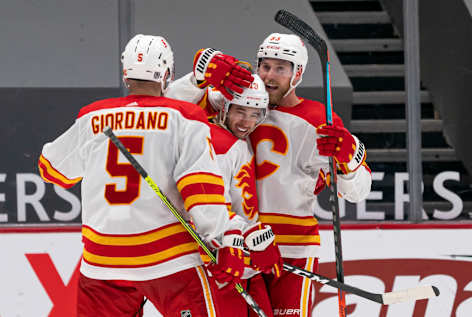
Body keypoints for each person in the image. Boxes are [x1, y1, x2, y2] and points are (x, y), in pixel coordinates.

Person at [38, 34, 256, 317]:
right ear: (167, 73)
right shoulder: (185, 116)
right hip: (167, 259)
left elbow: (51, 170)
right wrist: (224, 239)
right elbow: (201, 188)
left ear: (125, 73)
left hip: (103, 261)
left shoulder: (92, 116)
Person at [249, 33, 372, 316]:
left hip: (293, 246)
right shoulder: (239, 107)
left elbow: (357, 191)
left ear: (298, 73)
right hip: (241, 242)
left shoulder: (320, 119)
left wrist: (347, 157)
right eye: (265, 66)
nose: (269, 75)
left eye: (280, 68)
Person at [167, 55, 282, 317]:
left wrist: (255, 240)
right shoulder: (217, 145)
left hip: (243, 263)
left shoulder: (239, 141)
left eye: (255, 115)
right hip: (221, 263)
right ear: (224, 108)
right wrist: (253, 238)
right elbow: (210, 209)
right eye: (240, 111)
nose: (247, 122)